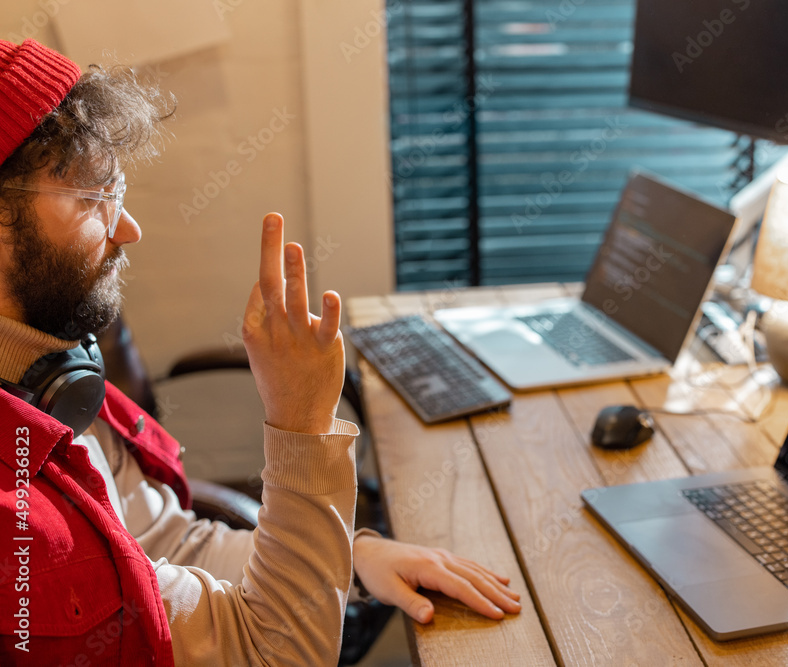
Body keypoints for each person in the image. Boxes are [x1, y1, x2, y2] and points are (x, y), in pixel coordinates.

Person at [0, 39, 519, 664]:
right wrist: (300, 422)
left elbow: (164, 545)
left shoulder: (46, 378)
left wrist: (353, 556)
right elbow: (277, 655)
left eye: (119, 190)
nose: (129, 227)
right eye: (93, 198)